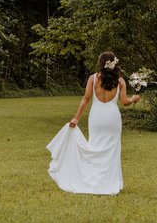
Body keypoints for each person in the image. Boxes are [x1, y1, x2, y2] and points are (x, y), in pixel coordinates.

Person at [46, 51, 141, 195]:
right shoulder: (120, 81)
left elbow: (86, 99)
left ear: (101, 63)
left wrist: (76, 118)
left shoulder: (93, 79)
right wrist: (134, 98)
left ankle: (92, 181)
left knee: (94, 147)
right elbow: (124, 102)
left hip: (96, 116)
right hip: (112, 117)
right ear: (114, 63)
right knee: (111, 150)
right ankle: (109, 182)